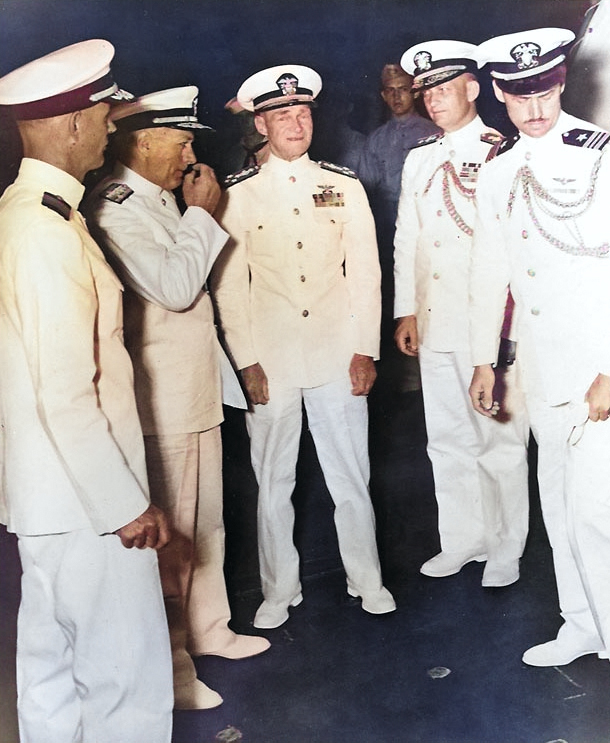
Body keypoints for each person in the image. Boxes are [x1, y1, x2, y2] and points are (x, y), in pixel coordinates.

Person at [0, 40, 173, 743]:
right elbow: (65, 392)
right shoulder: (46, 230)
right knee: (125, 686)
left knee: (48, 677)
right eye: (104, 112)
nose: (110, 124)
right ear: (71, 123)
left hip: (45, 500)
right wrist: (123, 503)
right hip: (87, 506)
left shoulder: (25, 213)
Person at [85, 86, 270, 710]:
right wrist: (202, 214)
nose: (190, 153)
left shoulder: (158, 199)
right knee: (172, 542)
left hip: (194, 388)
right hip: (160, 398)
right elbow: (173, 287)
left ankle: (211, 630)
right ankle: (172, 669)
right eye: (181, 142)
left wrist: (192, 213)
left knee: (205, 524)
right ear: (140, 144)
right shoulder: (114, 208)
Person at [212, 64, 396, 630]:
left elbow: (367, 274)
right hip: (272, 358)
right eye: (282, 115)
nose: (296, 123)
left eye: (303, 112)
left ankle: (368, 579)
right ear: (261, 124)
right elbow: (229, 286)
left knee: (350, 475)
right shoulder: (235, 194)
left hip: (337, 352)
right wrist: (245, 361)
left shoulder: (343, 185)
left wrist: (365, 348)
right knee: (273, 481)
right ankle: (278, 589)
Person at [470, 27, 610, 666]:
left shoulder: (599, 154)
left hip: (594, 368)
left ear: (561, 82)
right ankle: (581, 624)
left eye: (545, 90)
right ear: (499, 93)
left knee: (599, 510)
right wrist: (483, 358)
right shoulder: (497, 173)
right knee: (557, 505)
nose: (534, 108)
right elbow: (489, 268)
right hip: (542, 367)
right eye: (519, 95)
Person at [393, 41, 529, 587]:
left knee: (498, 439)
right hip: (434, 319)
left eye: (443, 89)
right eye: (426, 91)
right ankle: (463, 539)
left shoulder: (504, 151)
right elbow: (408, 239)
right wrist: (406, 310)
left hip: (486, 323)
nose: (432, 100)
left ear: (473, 88)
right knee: (446, 437)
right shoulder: (419, 157)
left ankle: (505, 547)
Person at [359, 65, 440, 394]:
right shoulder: (376, 140)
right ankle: (402, 374)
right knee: (395, 300)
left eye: (403, 89)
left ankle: (426, 371)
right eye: (389, 90)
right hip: (387, 231)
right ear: (382, 95)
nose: (396, 96)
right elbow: (365, 191)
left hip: (427, 231)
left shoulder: (434, 132)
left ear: (415, 91)